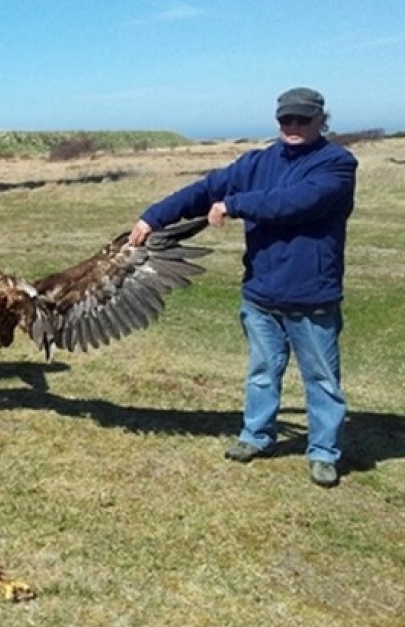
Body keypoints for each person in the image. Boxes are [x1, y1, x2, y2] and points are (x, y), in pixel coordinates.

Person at [128, 87, 357, 488]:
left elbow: (297, 202)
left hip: (311, 294)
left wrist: (235, 205)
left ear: (322, 120)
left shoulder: (336, 164)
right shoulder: (258, 162)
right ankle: (256, 436)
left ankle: (323, 453)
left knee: (320, 379)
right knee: (262, 372)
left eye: (303, 119)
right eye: (286, 119)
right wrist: (152, 218)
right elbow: (205, 189)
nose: (294, 127)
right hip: (260, 291)